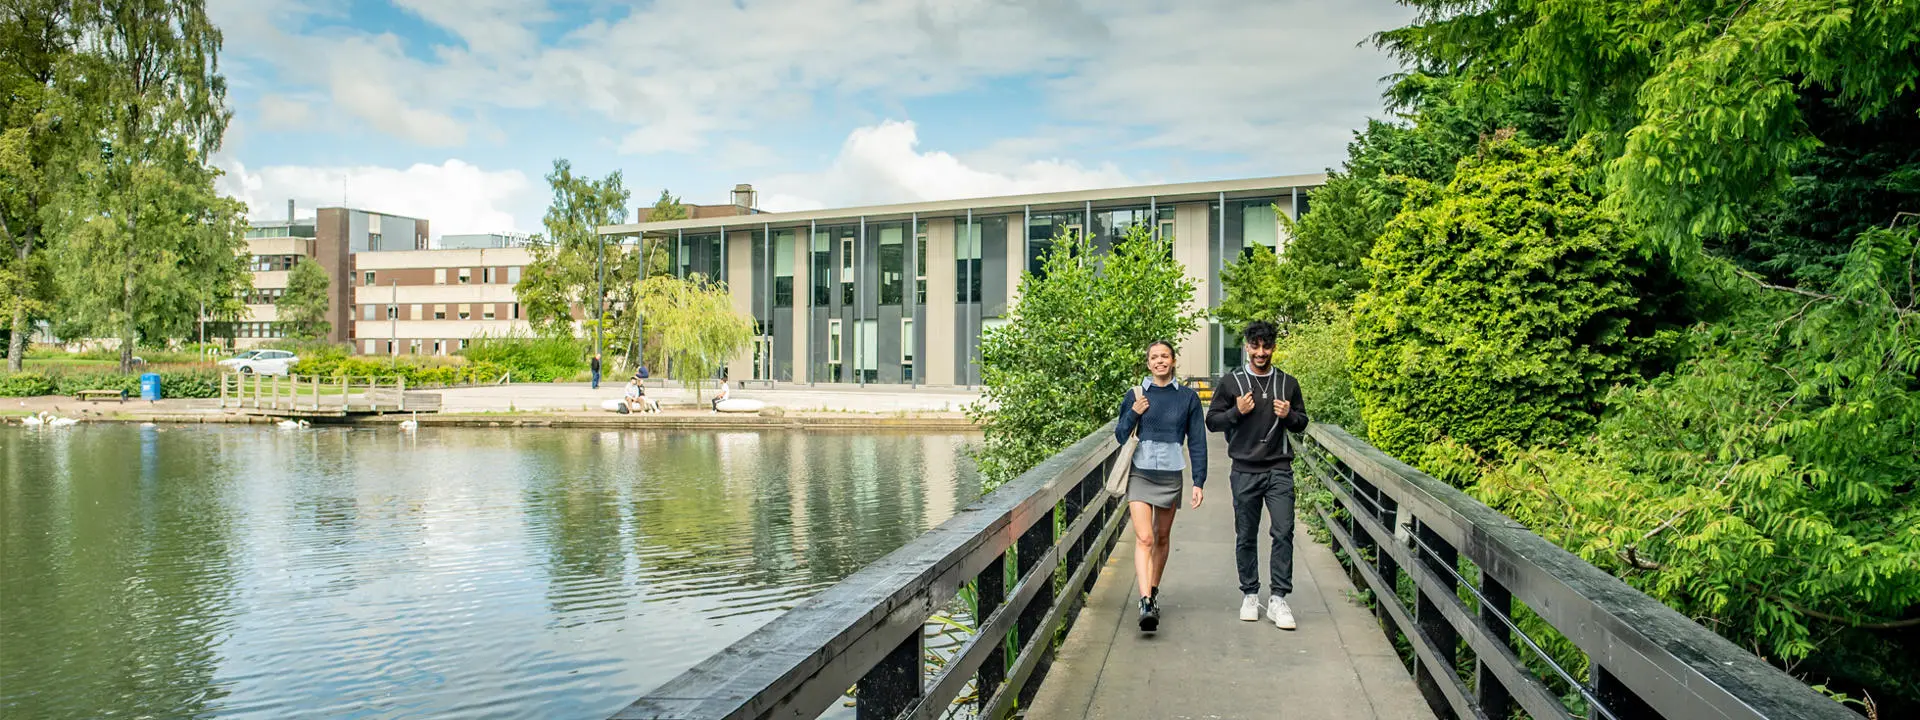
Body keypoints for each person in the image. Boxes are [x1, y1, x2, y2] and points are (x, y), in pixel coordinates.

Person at [1205, 320, 1309, 630]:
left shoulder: (1288, 383)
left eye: (1266, 346)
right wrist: (1237, 411)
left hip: (1279, 468)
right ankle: (1250, 594)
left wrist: (1288, 415)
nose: (1260, 352)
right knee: (1246, 535)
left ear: (1273, 347)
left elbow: (1302, 422)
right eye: (1255, 346)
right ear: (1247, 347)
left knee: (1283, 531)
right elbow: (1212, 422)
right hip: (1244, 470)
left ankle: (1279, 598)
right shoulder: (1232, 382)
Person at [1114, 340, 1207, 633]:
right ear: (1148, 363)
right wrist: (1134, 412)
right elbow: (1119, 435)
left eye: (1164, 356)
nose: (1159, 361)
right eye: (1154, 357)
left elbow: (1197, 440)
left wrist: (1198, 481)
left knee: (1162, 537)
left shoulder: (1188, 398)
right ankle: (1144, 602)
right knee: (1144, 539)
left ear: (1173, 360)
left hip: (1170, 475)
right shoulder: (1136, 395)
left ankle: (1152, 592)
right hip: (1140, 473)